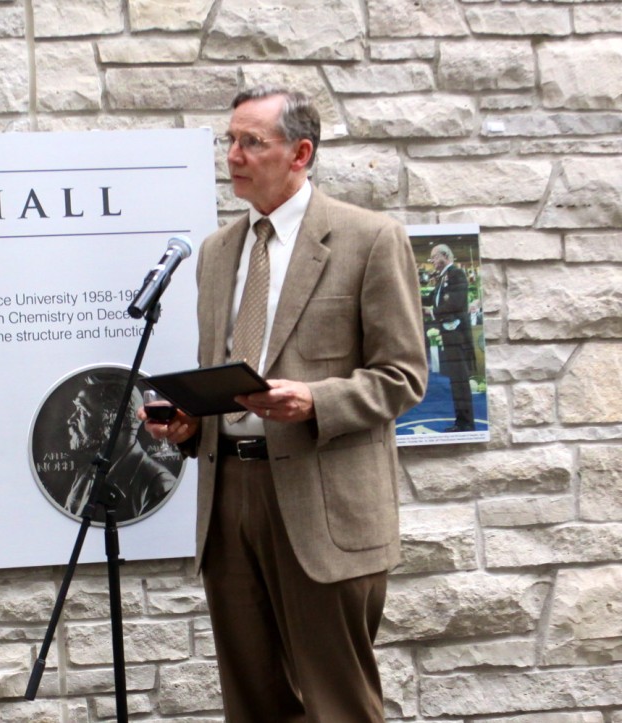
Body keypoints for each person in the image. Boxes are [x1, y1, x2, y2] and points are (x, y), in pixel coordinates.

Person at [142, 87, 428, 722]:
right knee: (254, 706)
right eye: (229, 140)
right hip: (228, 502)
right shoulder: (216, 253)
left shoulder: (369, 239)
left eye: (251, 142)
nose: (233, 156)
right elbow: (224, 374)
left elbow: (404, 376)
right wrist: (190, 424)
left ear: (300, 152)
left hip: (322, 504)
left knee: (338, 706)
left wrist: (316, 401)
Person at [58, 371, 177, 523]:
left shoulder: (158, 486)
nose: (71, 420)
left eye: (81, 410)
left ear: (114, 421)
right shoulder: (84, 475)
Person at [425, 244, 476, 432]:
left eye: (433, 258)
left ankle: (466, 423)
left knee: (460, 380)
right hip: (450, 336)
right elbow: (431, 298)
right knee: (456, 380)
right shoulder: (442, 278)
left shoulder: (456, 274)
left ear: (444, 256)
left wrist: (432, 311)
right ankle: (462, 421)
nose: (432, 262)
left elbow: (455, 303)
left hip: (457, 335)